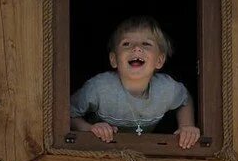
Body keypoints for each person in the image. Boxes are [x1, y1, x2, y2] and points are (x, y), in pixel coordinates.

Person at [70, 15, 200, 148]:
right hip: (101, 148)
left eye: (146, 44)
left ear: (159, 60)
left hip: (144, 150)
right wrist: (88, 128)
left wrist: (187, 126)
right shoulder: (99, 88)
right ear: (114, 60)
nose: (137, 48)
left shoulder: (166, 88)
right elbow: (68, 113)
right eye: (126, 44)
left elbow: (184, 99)